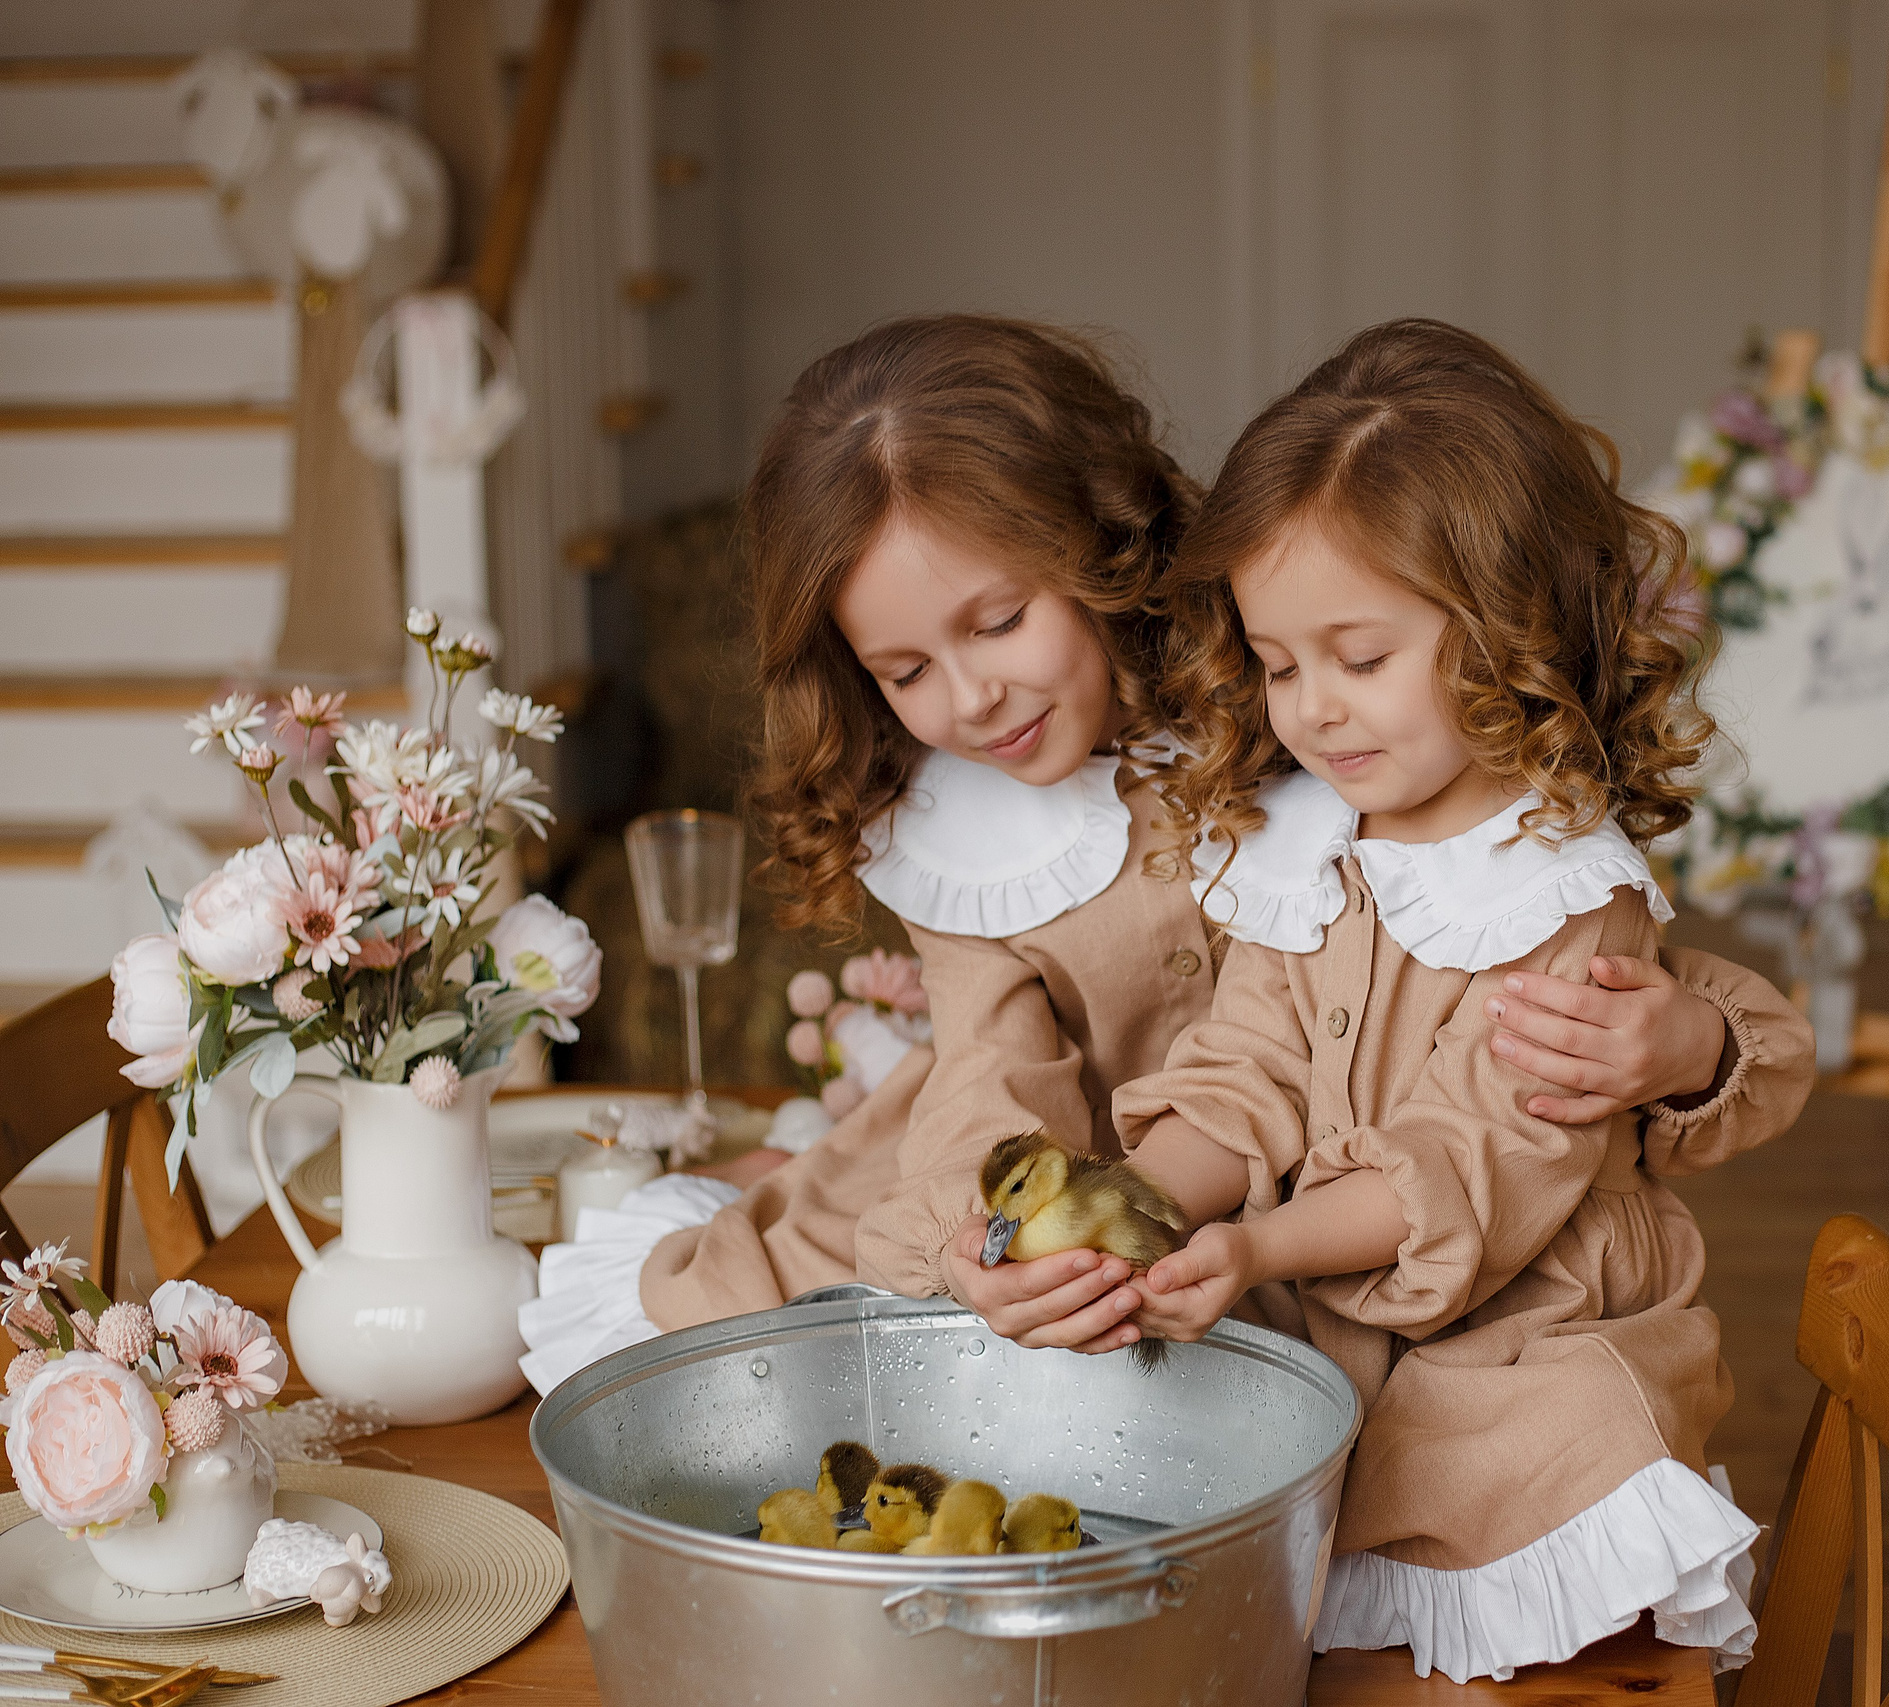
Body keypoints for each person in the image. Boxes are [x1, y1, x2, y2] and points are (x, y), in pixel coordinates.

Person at [517, 315, 1761, 1394]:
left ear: (1095, 544)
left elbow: (1530, 932)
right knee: (792, 1357)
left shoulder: (1287, 691)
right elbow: (991, 1072)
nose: (971, 698)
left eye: (999, 621)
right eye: (903, 671)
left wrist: (1697, 1049)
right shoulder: (955, 824)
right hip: (1113, 1205)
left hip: (1342, 1201)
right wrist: (980, 1235)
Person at [1101, 319, 1814, 1683]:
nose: (1311, 709)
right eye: (1279, 659)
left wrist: (1255, 1250)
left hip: (1520, 1333)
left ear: (1504, 629)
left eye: (1358, 655)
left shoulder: (1560, 889)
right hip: (1330, 1301)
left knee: (1559, 1450)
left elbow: (1466, 1162)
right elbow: (1243, 1070)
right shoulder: (1310, 842)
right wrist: (1135, 1199)